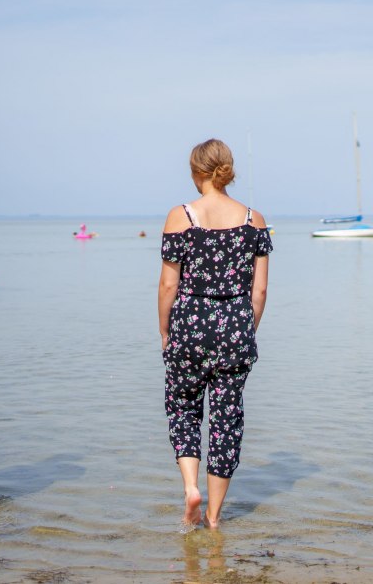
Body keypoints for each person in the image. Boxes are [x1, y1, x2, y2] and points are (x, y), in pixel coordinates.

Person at [159, 138, 271, 531]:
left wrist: (165, 333)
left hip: (189, 326)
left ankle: (191, 487)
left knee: (184, 408)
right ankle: (214, 518)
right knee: (226, 420)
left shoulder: (181, 216)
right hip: (236, 330)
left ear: (196, 172)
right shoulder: (253, 219)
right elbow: (259, 291)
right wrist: (245, 330)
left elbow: (168, 287)